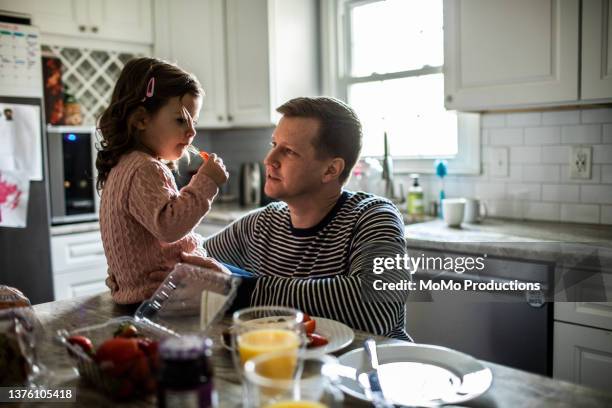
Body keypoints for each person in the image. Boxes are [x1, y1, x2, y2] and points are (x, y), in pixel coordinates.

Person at [191, 97, 410, 340]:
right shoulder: (258, 226)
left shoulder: (373, 216)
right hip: (288, 368)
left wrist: (241, 290)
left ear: (331, 170)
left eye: (289, 151)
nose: (269, 159)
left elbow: (380, 304)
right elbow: (190, 261)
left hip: (369, 368)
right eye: (274, 144)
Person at [97, 57, 229, 304]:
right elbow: (170, 227)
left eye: (194, 122)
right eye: (181, 120)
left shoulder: (123, 166)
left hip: (151, 295)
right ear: (141, 120)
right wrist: (207, 182)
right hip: (165, 297)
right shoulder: (145, 168)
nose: (192, 132)